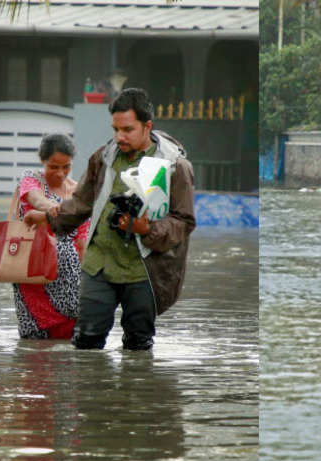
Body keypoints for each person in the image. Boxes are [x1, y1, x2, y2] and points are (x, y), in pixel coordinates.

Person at [24, 87, 195, 350]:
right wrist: (48, 217)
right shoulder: (104, 157)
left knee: (138, 344)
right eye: (115, 129)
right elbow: (81, 203)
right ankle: (92, 390)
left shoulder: (175, 166)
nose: (119, 137)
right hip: (99, 264)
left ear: (147, 126)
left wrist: (146, 228)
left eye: (127, 130)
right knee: (86, 341)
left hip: (145, 269)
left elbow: (184, 221)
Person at [13, 133, 89, 339]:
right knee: (36, 337)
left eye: (66, 167)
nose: (60, 173)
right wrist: (52, 209)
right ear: (42, 161)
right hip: (34, 271)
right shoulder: (32, 178)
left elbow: (82, 239)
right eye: (53, 167)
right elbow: (35, 198)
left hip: (70, 276)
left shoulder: (78, 190)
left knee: (72, 334)